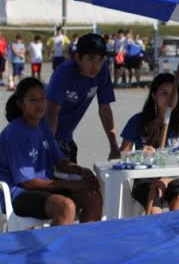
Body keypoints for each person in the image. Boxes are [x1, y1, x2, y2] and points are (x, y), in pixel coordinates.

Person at [0, 77, 102, 226]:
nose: (40, 104)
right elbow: (27, 182)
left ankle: (82, 245)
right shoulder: (14, 133)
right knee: (65, 207)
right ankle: (53, 249)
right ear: (21, 104)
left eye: (43, 98)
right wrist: (69, 184)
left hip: (44, 187)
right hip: (17, 193)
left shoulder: (43, 125)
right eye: (33, 100)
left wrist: (81, 171)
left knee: (92, 196)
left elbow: (59, 160)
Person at [119, 73, 179, 214]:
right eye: (164, 93)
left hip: (174, 177)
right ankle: (159, 235)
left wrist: (165, 180)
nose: (170, 98)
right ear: (154, 96)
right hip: (144, 179)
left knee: (178, 202)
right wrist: (140, 155)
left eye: (173, 93)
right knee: (155, 210)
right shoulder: (138, 121)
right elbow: (123, 155)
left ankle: (176, 235)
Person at [46, 33, 120, 163]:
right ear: (78, 58)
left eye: (101, 59)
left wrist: (114, 146)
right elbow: (53, 109)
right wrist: (49, 146)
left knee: (77, 179)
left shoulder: (103, 71)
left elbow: (105, 108)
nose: (96, 65)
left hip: (66, 138)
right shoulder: (64, 73)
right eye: (91, 59)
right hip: (44, 134)